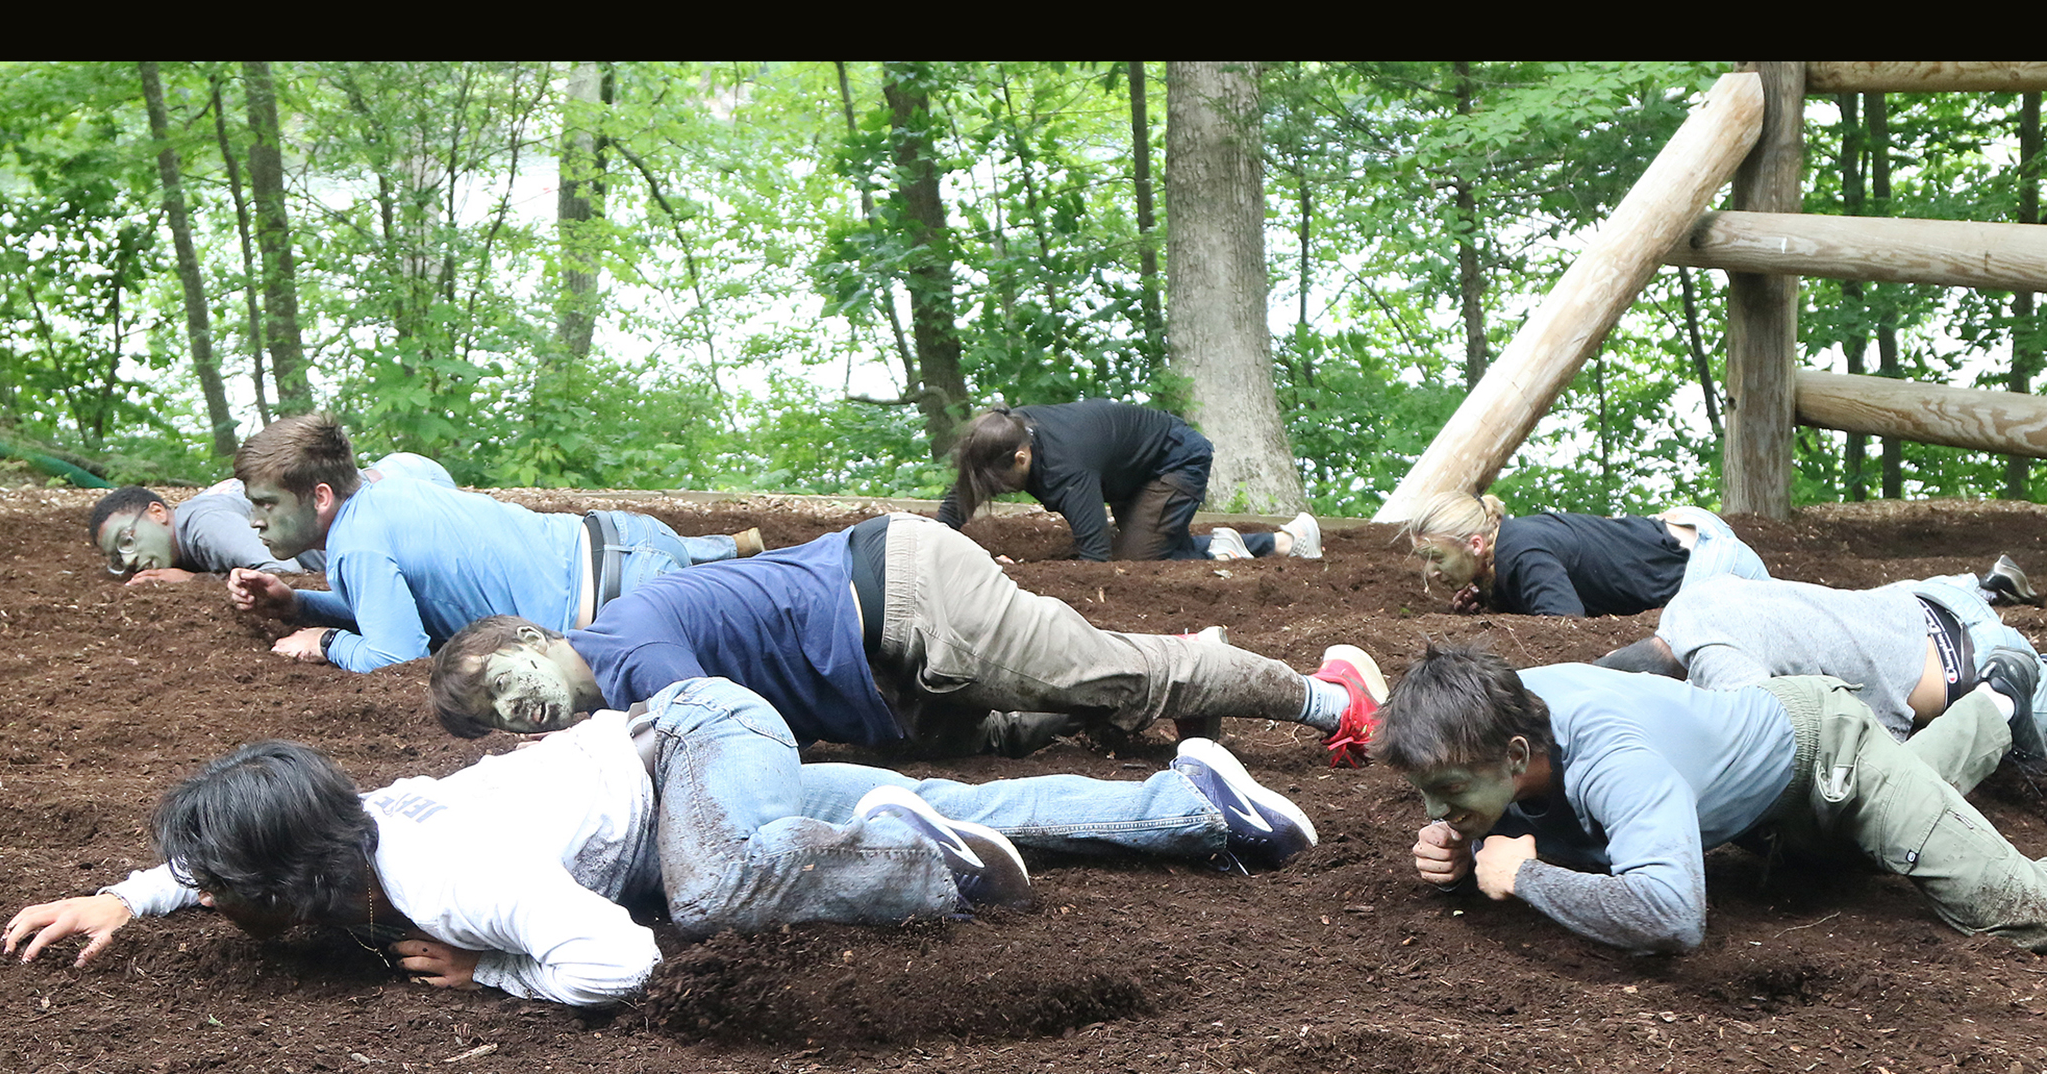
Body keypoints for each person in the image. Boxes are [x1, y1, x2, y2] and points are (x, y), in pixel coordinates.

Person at [2, 677, 1322, 1006]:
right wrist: (128, 894)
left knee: (720, 889)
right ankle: (1201, 804)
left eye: (218, 885)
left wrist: (496, 976)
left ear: (287, 884)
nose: (210, 896)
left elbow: (617, 960)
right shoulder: (356, 823)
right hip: (683, 763)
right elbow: (228, 855)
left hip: (686, 744)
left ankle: (920, 866)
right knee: (970, 794)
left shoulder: (452, 878)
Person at [424, 512, 1388, 766]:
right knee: (999, 731)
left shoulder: (629, 656)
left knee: (1112, 674)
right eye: (499, 725)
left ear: (536, 634)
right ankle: (1185, 670)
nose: (522, 719)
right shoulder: (617, 668)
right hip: (883, 663)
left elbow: (717, 735)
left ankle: (1330, 696)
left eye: (506, 688)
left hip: (908, 597)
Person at [1379, 640, 2047, 955]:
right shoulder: (1491, 708)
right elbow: (1469, 798)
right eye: (1426, 795)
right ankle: (1995, 700)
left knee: (2018, 907)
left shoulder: (1617, 760)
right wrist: (1459, 849)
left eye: (1448, 793)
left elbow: (1671, 915)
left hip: (1829, 754)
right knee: (1885, 821)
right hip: (1765, 814)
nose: (1435, 812)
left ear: (1517, 756)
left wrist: (1521, 874)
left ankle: (1997, 699)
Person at [221, 413, 760, 673]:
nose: (254, 522)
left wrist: (326, 642)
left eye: (266, 504)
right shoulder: (398, 476)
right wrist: (296, 602)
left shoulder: (355, 545)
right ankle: (728, 549)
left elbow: (397, 654)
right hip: (626, 533)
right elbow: (399, 598)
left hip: (625, 607)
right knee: (768, 592)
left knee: (763, 642)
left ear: (319, 496)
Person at [1595, 571, 2047, 757]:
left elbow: (1769, 742)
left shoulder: (1720, 664)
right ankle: (1993, 585)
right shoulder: (1688, 601)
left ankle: (2011, 696)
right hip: (1936, 594)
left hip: (1973, 661)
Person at [937, 399, 1323, 563]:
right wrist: (930, 538)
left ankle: (1283, 541)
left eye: (999, 481)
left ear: (1021, 458)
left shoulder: (1067, 469)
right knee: (1146, 543)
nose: (996, 489)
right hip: (1130, 471)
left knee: (1138, 559)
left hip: (1176, 459)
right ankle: (1224, 544)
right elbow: (964, 494)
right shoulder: (1008, 431)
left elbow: (1096, 559)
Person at [87, 453, 454, 583]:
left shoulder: (201, 523)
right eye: (118, 560)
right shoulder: (197, 526)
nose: (131, 561)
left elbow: (283, 572)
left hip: (409, 484)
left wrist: (191, 583)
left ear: (157, 512)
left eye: (127, 540)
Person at [1400, 490, 1770, 616]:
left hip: (1713, 565)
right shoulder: (1510, 544)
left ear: (1476, 545)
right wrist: (1491, 595)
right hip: (1682, 536)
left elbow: (1563, 619)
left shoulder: (1521, 553)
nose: (1431, 571)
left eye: (1437, 557)